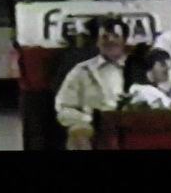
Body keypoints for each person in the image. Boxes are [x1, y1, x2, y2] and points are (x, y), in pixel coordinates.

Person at [54, 18, 130, 150]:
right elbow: (64, 107)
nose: (110, 41)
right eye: (105, 37)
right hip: (92, 123)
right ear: (97, 42)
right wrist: (87, 119)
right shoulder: (81, 70)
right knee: (78, 132)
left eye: (116, 36)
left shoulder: (139, 68)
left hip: (132, 121)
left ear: (124, 41)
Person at [122, 44, 171, 109]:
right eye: (162, 64)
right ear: (151, 66)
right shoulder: (140, 89)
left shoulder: (157, 89)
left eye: (168, 66)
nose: (167, 69)